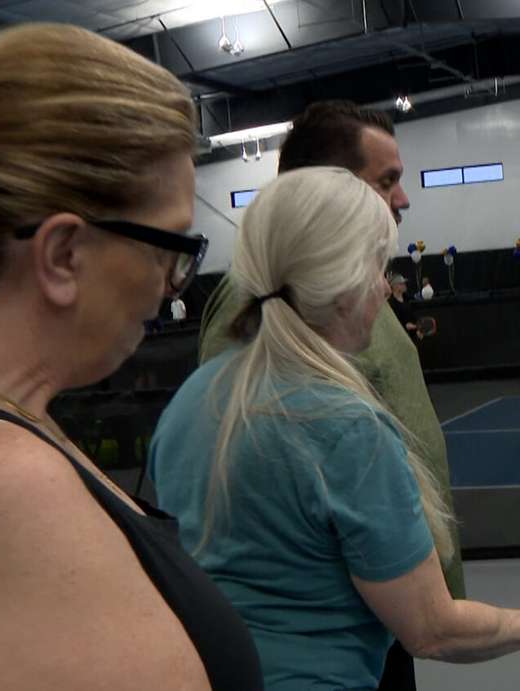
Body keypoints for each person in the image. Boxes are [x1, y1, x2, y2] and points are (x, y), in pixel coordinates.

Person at [150, 168, 520, 690]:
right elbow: (433, 630)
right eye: (377, 268)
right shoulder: (346, 428)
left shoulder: (189, 402)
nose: (386, 288)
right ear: (340, 285)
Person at [0, 23, 261, 690]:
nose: (169, 283)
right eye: (167, 249)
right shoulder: (1, 479)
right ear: (64, 254)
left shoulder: (10, 423)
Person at [196, 100, 466, 688]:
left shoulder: (349, 290)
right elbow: (250, 486)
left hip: (385, 617)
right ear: (328, 190)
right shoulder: (260, 304)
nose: (404, 199)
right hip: (333, 634)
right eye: (387, 181)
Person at [388, 272, 422, 342]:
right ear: (394, 286)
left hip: (412, 337)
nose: (405, 285)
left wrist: (417, 330)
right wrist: (405, 326)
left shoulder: (408, 299)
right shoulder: (390, 303)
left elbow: (413, 317)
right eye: (401, 284)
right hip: (398, 338)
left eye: (404, 283)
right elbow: (392, 322)